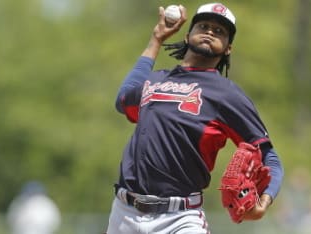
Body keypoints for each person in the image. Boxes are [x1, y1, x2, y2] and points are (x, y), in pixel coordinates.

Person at [106, 3, 284, 234]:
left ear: (228, 48)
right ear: (188, 35)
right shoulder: (156, 80)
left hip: (180, 219)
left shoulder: (227, 94)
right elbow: (123, 100)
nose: (210, 32)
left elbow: (270, 158)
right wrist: (156, 39)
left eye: (219, 31)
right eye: (204, 26)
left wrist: (265, 200)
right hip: (124, 214)